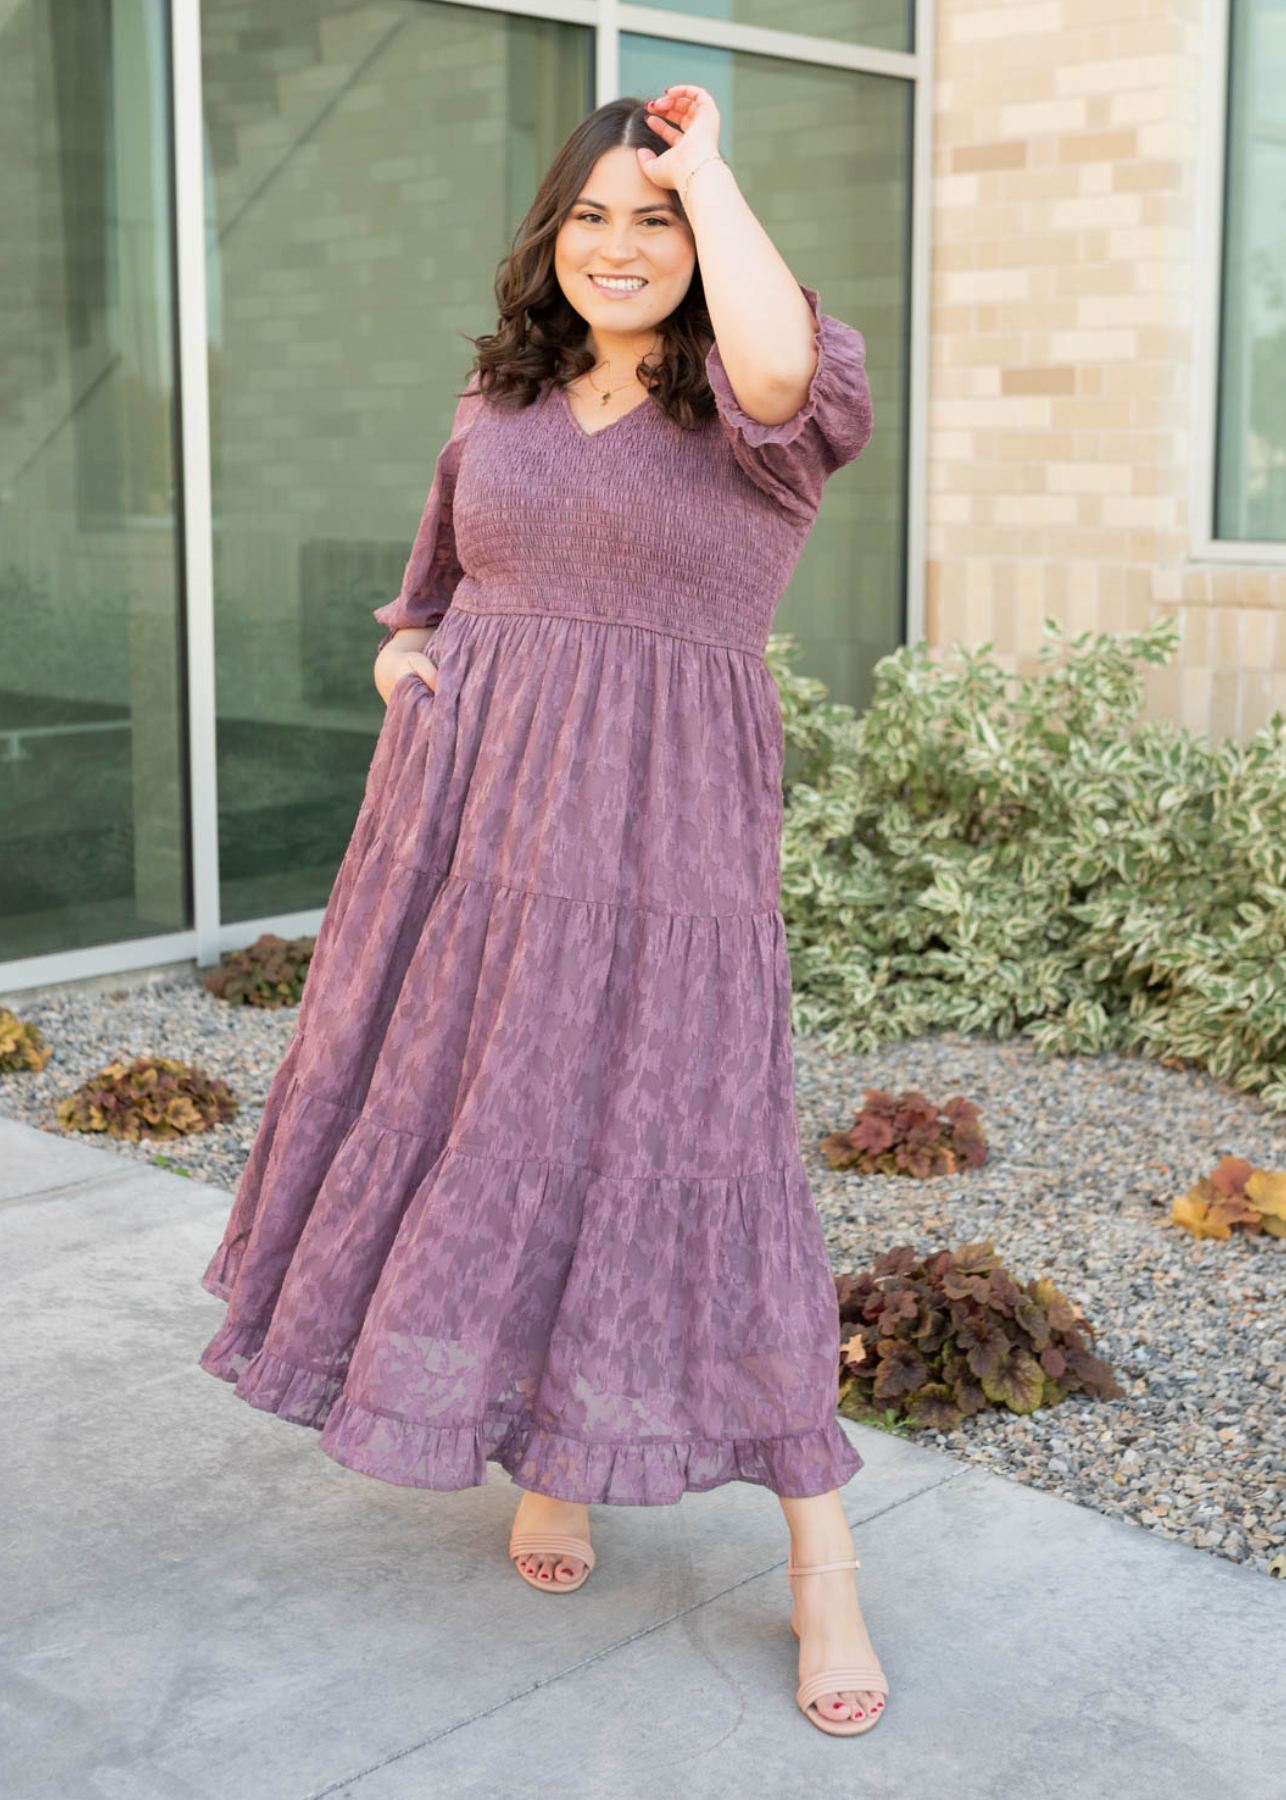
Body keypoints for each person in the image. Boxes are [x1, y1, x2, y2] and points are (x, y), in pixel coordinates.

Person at [198, 84, 886, 1738]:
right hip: (466, 839)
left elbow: (785, 363)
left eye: (652, 221)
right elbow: (427, 588)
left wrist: (701, 167)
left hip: (667, 851)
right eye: (592, 215)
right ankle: (552, 1464)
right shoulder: (496, 401)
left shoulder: (755, 406)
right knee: (491, 1128)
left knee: (692, 1151)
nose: (619, 245)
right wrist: (399, 657)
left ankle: (823, 1570)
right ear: (549, 238)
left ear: (702, 241)